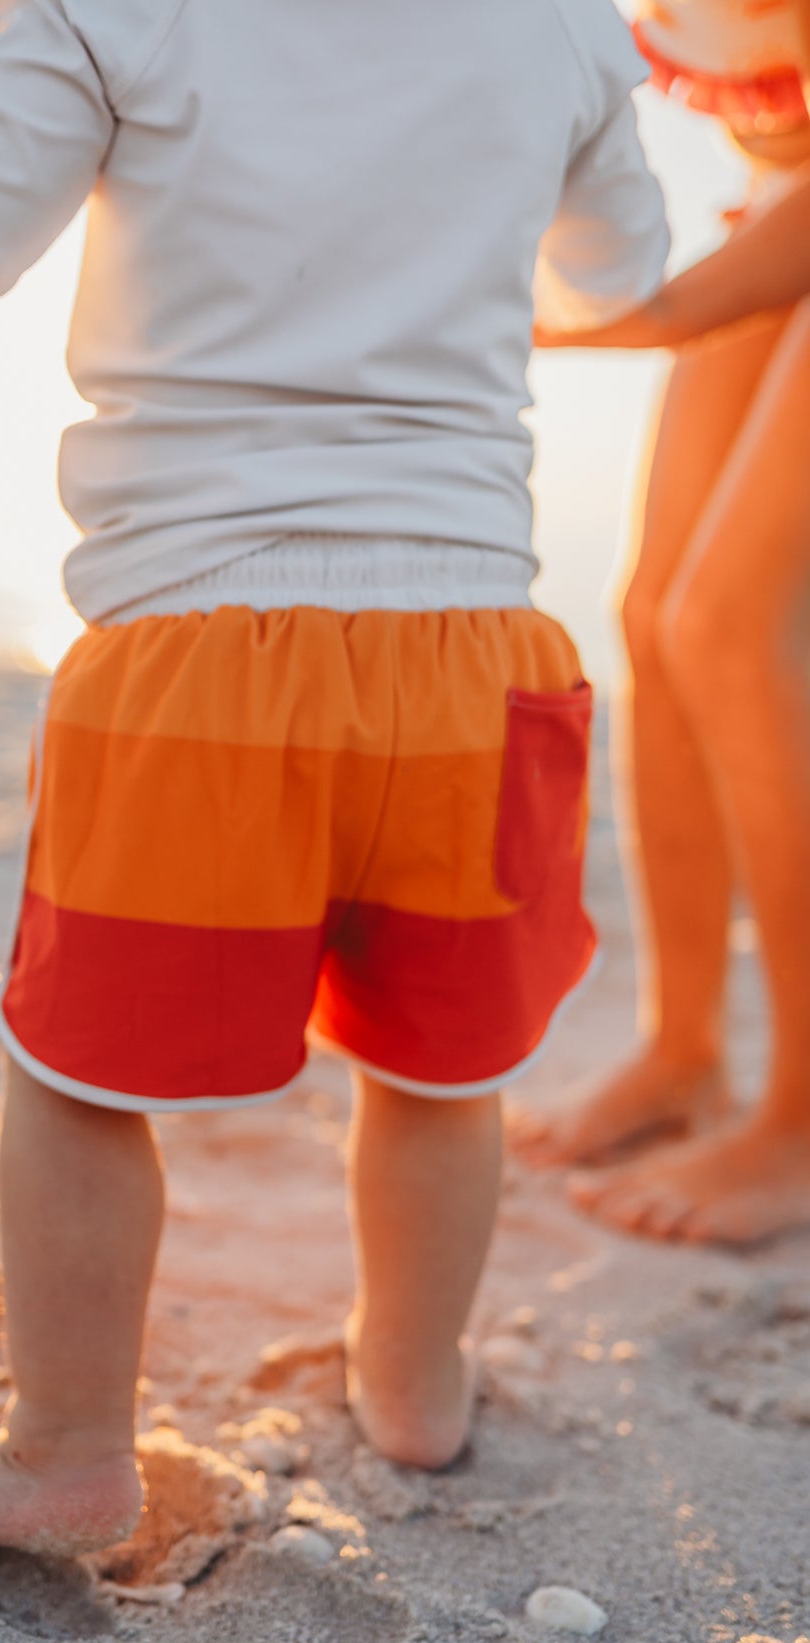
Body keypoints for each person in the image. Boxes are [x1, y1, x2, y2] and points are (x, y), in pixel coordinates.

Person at [0, 0, 668, 1555]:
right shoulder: (567, 30)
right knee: (439, 1069)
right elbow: (611, 270)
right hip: (479, 652)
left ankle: (67, 1446)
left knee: (76, 1077)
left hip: (203, 650)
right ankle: (413, 1383)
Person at [518, 0, 810, 1248]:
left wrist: (617, 313)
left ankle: (800, 1123)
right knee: (651, 616)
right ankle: (682, 1050)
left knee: (729, 625)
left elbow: (668, 308)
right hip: (783, 192)